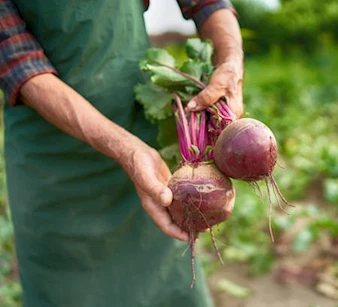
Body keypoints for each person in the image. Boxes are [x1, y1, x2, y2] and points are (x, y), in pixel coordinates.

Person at [0, 0, 243, 306]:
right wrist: (124, 149)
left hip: (141, 135)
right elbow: (20, 66)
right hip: (54, 161)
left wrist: (231, 61)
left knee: (164, 282)